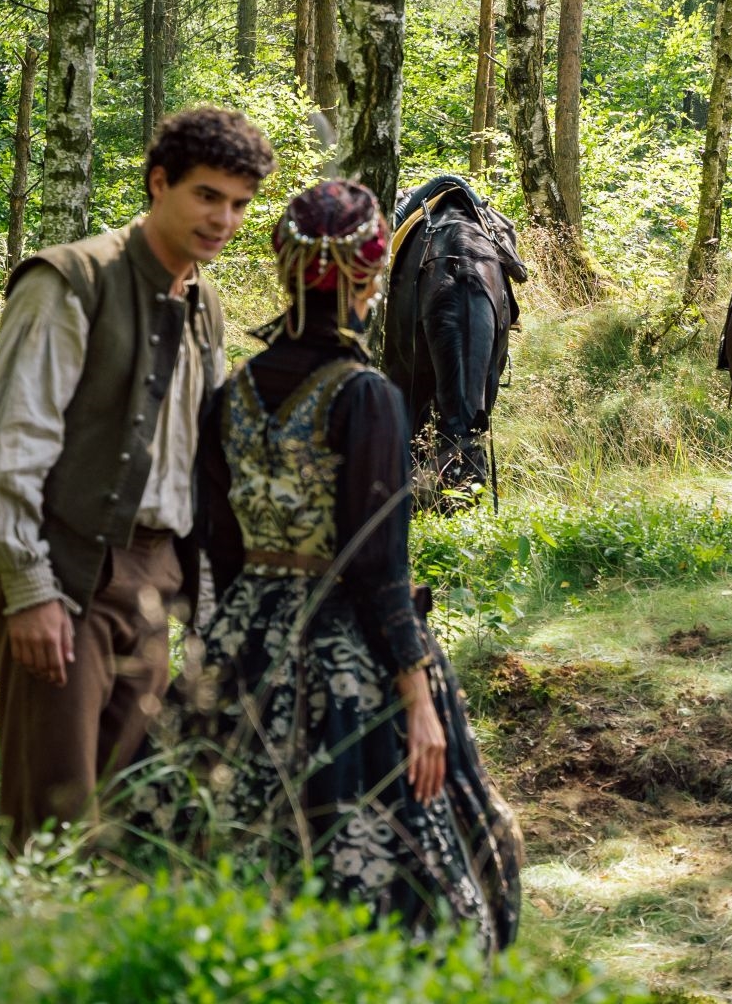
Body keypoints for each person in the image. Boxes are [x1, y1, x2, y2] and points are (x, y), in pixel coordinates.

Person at [126, 180, 522, 952]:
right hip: (347, 650)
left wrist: (224, 656)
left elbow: (215, 551)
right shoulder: (365, 395)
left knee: (211, 835)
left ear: (286, 273)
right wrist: (416, 697)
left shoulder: (233, 392)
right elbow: (377, 566)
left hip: (243, 638)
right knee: (398, 854)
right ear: (370, 280)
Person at [0, 107, 275, 850]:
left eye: (239, 204)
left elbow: (199, 464)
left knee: (125, 830)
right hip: (66, 577)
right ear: (159, 183)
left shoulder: (203, 303)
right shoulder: (71, 281)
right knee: (52, 828)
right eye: (207, 196)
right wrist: (30, 590)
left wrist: (200, 592)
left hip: (154, 585)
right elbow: (10, 444)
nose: (224, 220)